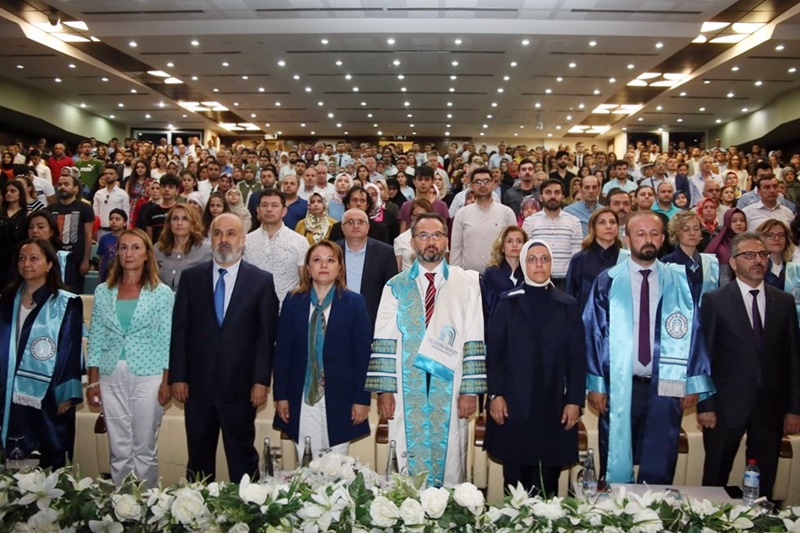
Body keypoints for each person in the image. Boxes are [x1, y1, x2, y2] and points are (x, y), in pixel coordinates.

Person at [583, 211, 715, 484]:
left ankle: (655, 508)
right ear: (626, 239)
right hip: (620, 382)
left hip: (667, 381)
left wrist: (692, 382)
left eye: (654, 233)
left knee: (661, 455)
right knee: (616, 455)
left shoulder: (679, 281)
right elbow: (592, 333)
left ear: (663, 239)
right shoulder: (608, 281)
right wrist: (596, 384)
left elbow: (694, 331)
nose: (648, 239)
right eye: (640, 233)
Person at [366, 213, 486, 487]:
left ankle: (448, 509)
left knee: (451, 456)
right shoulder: (395, 287)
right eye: (423, 235)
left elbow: (474, 337)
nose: (431, 241)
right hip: (406, 386)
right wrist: (384, 391)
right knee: (406, 458)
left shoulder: (467, 284)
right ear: (412, 242)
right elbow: (384, 340)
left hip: (452, 382)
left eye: (437, 235)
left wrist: (469, 390)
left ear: (446, 241)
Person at [170, 213, 280, 482]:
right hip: (197, 388)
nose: (224, 240)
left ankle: (247, 506)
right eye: (218, 233)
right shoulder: (191, 278)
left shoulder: (261, 281)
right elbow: (180, 331)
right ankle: (196, 506)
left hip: (241, 389)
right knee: (198, 457)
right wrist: (178, 376)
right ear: (210, 239)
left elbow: (265, 338)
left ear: (243, 240)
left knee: (242, 457)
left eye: (231, 233)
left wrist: (261, 381)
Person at [698, 232, 800, 501]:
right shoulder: (714, 300)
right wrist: (705, 404)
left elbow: (793, 358)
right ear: (733, 262)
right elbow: (704, 356)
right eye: (749, 255)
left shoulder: (784, 301)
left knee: (763, 483)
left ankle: (759, 520)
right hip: (724, 407)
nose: (758, 260)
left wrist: (794, 408)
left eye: (763, 254)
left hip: (770, 407)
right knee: (715, 478)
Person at [484, 239, 586, 496]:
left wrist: (574, 400)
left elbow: (577, 359)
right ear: (523, 264)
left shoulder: (568, 305)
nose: (539, 264)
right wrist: (495, 395)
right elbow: (494, 354)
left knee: (547, 487)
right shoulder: (507, 302)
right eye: (532, 259)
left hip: (554, 407)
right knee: (515, 487)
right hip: (513, 406)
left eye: (544, 259)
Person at [86, 229, 174, 487]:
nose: (128, 253)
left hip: (150, 375)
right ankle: (122, 501)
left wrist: (167, 381)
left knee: (144, 446)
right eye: (123, 247)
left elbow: (168, 339)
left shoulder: (162, 293)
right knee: (118, 446)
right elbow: (96, 337)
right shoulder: (103, 291)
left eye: (136, 247)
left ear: (147, 254)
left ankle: (147, 501)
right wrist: (93, 381)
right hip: (110, 373)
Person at [273, 241, 372, 458]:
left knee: (337, 466)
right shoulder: (293, 301)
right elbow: (282, 353)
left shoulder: (354, 303)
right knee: (306, 461)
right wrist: (280, 396)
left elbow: (363, 356)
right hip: (301, 395)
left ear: (339, 268)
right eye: (317, 260)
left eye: (330, 260)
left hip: (341, 397)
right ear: (308, 268)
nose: (324, 265)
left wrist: (362, 399)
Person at [0, 239, 83, 469]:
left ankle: (44, 489)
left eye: (34, 258)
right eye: (22, 258)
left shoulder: (65, 303)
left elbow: (70, 347)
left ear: (49, 264)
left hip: (48, 389)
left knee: (44, 447)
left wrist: (66, 392)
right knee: (14, 445)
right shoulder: (7, 300)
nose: (26, 263)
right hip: (8, 386)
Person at [245, 190, 310, 308]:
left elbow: (305, 282)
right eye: (264, 205)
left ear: (284, 211)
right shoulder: (246, 241)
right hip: (252, 310)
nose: (269, 209)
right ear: (258, 210)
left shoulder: (299, 242)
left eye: (274, 205)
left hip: (288, 310)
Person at [336, 208, 397, 328]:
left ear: (368, 227)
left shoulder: (386, 252)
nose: (355, 226)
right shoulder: (332, 251)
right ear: (342, 228)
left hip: (373, 318)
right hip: (338, 315)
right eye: (350, 222)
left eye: (360, 222)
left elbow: (391, 289)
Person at [450, 167, 517, 274]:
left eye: (486, 181)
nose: (482, 185)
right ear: (471, 186)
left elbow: (514, 247)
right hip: (468, 276)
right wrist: (455, 275)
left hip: (500, 276)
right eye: (478, 182)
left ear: (493, 184)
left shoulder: (506, 213)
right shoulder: (462, 214)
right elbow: (456, 249)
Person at [522, 179, 582, 290]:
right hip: (537, 282)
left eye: (557, 193)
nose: (553, 196)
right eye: (548, 192)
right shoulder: (529, 222)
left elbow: (577, 256)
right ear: (541, 197)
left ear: (563, 197)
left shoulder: (574, 222)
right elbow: (526, 254)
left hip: (566, 283)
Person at [565, 208, 625, 310]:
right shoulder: (579, 260)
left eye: (612, 222)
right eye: (602, 222)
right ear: (593, 227)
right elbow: (570, 295)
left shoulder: (625, 258)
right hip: (586, 316)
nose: (608, 226)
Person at [48, 172, 94, 293]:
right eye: (60, 185)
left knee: (74, 294)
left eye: (66, 184)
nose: (62, 187)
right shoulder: (51, 208)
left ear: (75, 188)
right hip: (54, 259)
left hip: (76, 260)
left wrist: (85, 260)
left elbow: (88, 235)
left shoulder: (85, 208)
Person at [660, 211, 719, 305]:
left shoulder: (711, 263)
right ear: (677, 233)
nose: (692, 233)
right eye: (686, 229)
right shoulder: (666, 263)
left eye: (696, 229)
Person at [480, 225, 527, 330]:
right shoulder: (491, 273)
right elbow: (484, 307)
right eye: (509, 241)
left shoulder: (529, 274)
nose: (515, 245)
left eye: (519, 241)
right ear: (502, 247)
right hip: (496, 329)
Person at [156, 204, 212, 290]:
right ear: (169, 223)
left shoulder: (206, 250)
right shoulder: (158, 249)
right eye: (175, 218)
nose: (179, 223)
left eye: (185, 219)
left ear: (193, 223)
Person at [704, 208, 748, 285]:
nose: (739, 223)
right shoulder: (722, 246)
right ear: (727, 222)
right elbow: (724, 279)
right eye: (734, 221)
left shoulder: (749, 241)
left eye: (742, 220)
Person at [0, 181, 29, 286]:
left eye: (12, 191)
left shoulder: (27, 214)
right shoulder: (1, 213)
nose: (8, 193)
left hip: (16, 256)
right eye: (6, 191)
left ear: (20, 193)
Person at [394, 198, 431, 272]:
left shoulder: (439, 237)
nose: (420, 219)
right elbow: (397, 270)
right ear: (412, 216)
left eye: (424, 216)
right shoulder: (401, 239)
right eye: (417, 216)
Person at [97, 208, 127, 282]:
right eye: (111, 219)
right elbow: (101, 258)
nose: (113, 221)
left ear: (124, 223)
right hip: (107, 275)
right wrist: (100, 273)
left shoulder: (129, 238)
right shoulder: (104, 238)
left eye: (117, 219)